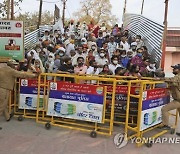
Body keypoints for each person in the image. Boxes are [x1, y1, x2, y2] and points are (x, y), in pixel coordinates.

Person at [0, 59, 37, 130]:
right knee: (1, 106)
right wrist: (33, 75)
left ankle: (7, 117)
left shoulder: (2, 69)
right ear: (11, 65)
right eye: (14, 65)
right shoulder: (10, 71)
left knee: (3, 105)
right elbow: (22, 74)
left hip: (1, 89)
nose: (15, 66)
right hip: (4, 90)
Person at [159, 64, 180, 136]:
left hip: (178, 101)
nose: (173, 70)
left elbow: (172, 80)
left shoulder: (178, 77)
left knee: (164, 109)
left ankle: (165, 125)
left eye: (175, 69)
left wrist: (161, 79)